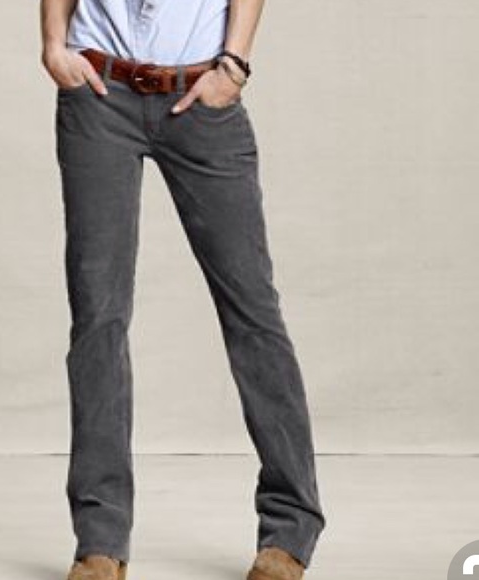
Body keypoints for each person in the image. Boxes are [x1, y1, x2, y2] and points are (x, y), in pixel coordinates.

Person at [39, 1, 326, 579]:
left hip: (201, 93)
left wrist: (235, 64)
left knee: (252, 311)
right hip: (99, 92)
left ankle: (289, 532)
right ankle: (99, 542)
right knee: (98, 316)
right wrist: (53, 45)